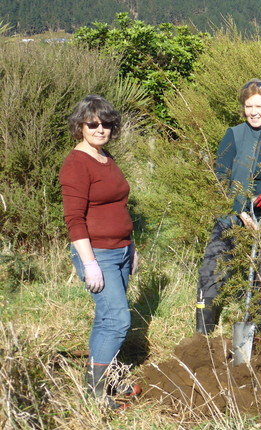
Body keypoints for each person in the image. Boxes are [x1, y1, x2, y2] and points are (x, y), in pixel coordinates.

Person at [195, 79, 261, 335]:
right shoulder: (234, 134)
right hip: (233, 217)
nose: (253, 112)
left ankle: (257, 333)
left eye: (259, 106)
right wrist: (240, 211)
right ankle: (203, 334)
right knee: (212, 271)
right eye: (248, 106)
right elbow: (220, 177)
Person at [60, 95, 141, 409]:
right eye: (93, 124)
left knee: (106, 319)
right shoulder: (76, 163)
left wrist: (131, 246)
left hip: (120, 251)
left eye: (106, 124)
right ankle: (95, 394)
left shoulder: (105, 156)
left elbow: (119, 204)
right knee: (118, 321)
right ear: (80, 125)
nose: (100, 129)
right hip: (98, 254)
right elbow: (74, 219)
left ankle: (107, 377)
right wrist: (88, 261)